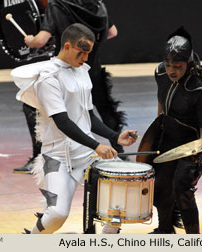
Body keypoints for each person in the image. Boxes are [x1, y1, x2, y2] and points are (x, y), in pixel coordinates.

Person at [12, 23, 137, 234]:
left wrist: (115, 136)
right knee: (57, 215)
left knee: (118, 206)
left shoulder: (82, 71)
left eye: (88, 53)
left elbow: (87, 116)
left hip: (86, 153)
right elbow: (63, 122)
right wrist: (97, 145)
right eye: (82, 52)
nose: (86, 58)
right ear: (67, 46)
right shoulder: (48, 78)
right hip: (57, 157)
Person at [14, 0, 126, 173]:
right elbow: (113, 32)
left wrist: (31, 40)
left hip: (68, 70)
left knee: (34, 106)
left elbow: (41, 40)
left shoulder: (57, 4)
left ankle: (38, 157)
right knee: (105, 108)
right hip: (93, 69)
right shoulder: (97, 5)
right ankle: (119, 151)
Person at [140, 27, 202, 234]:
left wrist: (195, 158)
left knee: (181, 189)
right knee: (160, 187)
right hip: (168, 136)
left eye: (177, 66)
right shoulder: (160, 72)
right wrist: (157, 129)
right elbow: (162, 103)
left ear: (188, 62)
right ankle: (165, 230)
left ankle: (193, 239)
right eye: (168, 65)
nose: (171, 71)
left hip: (195, 143)